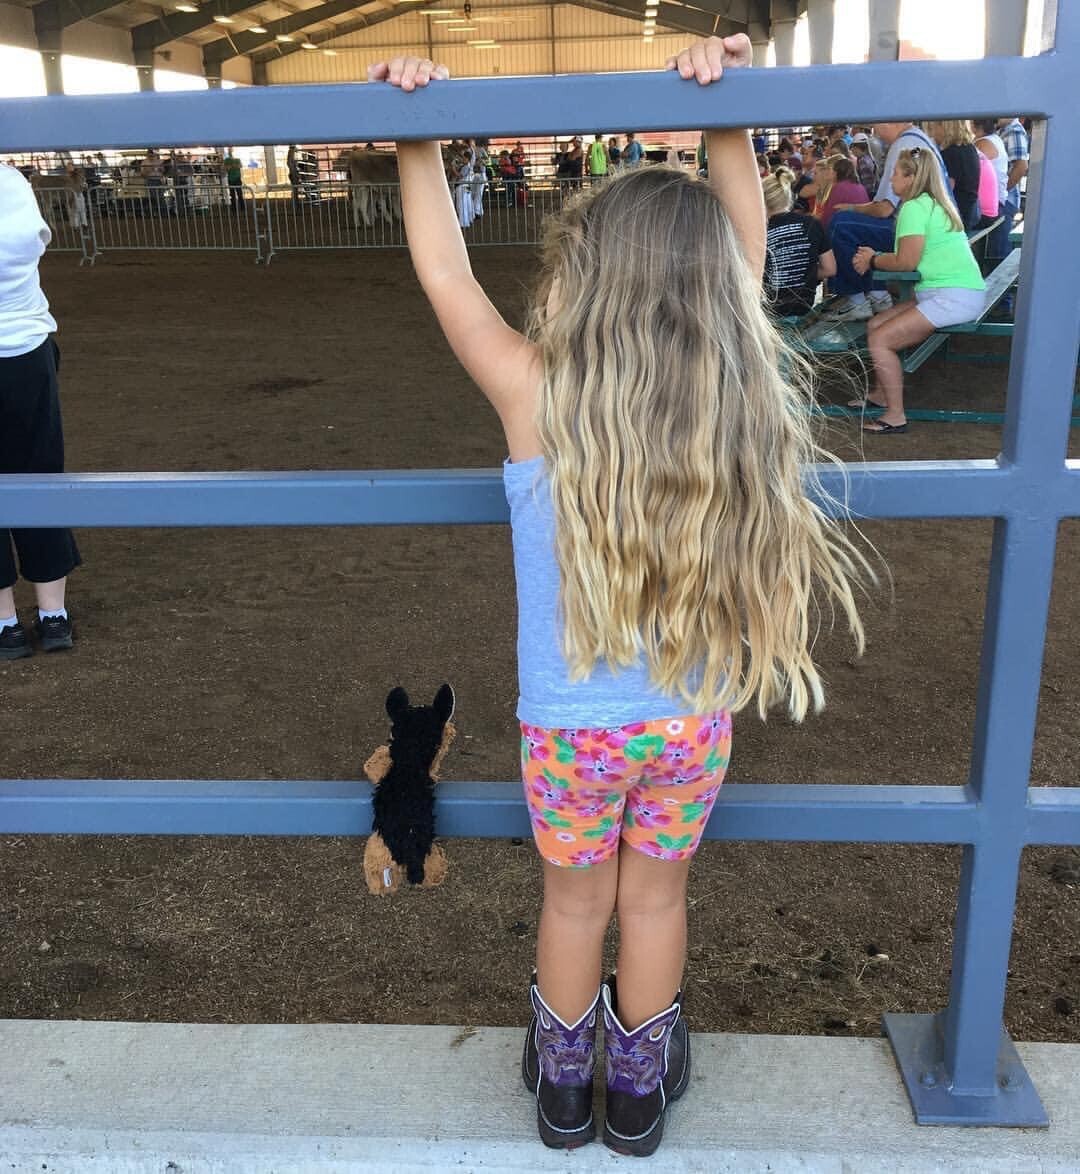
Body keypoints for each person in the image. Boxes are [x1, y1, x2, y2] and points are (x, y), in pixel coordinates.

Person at [368, 36, 868, 1158]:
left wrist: (416, 138)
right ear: (716, 295)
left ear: (580, 278)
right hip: (688, 722)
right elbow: (743, 253)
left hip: (570, 734)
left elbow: (447, 279)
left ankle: (562, 1092)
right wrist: (726, 115)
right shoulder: (727, 387)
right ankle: (635, 1097)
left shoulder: (534, 392)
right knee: (655, 903)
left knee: (575, 904)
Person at [0, 162, 80, 659]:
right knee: (40, 473)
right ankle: (53, 615)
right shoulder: (10, 181)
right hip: (25, 348)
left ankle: (4, 623)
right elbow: (36, 238)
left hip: (25, 343)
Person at [851, 147, 985, 435]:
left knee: (880, 340)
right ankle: (881, 394)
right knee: (876, 324)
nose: (891, 179)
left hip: (952, 296)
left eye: (895, 174)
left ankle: (895, 416)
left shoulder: (913, 207)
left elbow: (906, 262)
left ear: (911, 178)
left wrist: (873, 259)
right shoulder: (933, 202)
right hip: (952, 292)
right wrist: (877, 258)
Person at [823, 120, 950, 322]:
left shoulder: (902, 145)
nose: (876, 132)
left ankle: (858, 300)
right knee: (858, 226)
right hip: (936, 230)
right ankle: (878, 295)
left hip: (920, 238)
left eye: (877, 126)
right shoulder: (920, 138)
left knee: (840, 224)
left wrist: (852, 208)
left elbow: (884, 209)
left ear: (889, 122)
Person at [763, 168, 835, 317]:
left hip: (771, 310)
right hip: (804, 306)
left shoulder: (760, 232)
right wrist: (805, 274)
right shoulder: (812, 223)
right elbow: (830, 269)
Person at [927, 120, 981, 230]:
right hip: (970, 213)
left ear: (944, 127)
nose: (932, 134)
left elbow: (945, 191)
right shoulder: (970, 148)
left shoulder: (949, 154)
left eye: (934, 128)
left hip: (956, 217)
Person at [992, 115, 1028, 261]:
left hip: (1006, 200)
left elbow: (1021, 166)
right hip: (1003, 199)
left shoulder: (1014, 130)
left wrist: (1002, 191)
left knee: (999, 255)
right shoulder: (1003, 129)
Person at [812, 155, 868, 231]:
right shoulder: (860, 186)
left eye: (829, 169)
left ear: (836, 172)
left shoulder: (839, 188)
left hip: (849, 231)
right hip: (860, 229)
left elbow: (827, 218)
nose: (827, 172)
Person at [223, 147, 244, 214]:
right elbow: (225, 168)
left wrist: (231, 166)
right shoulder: (227, 160)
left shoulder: (236, 159)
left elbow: (240, 166)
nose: (230, 151)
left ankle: (242, 208)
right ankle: (234, 209)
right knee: (233, 195)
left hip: (236, 178)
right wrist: (233, 166)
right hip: (231, 178)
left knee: (239, 194)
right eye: (229, 150)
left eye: (230, 150)